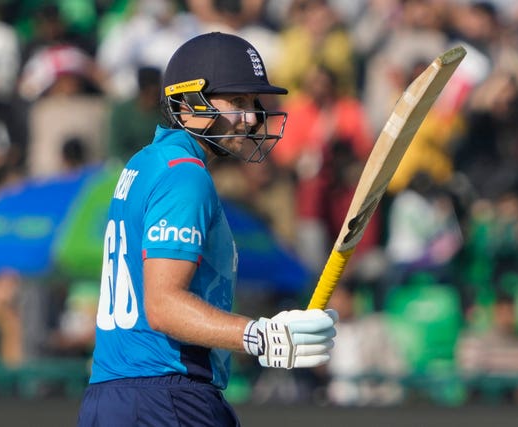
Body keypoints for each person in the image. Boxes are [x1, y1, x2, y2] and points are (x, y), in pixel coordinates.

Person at [77, 32, 338, 426]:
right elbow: (163, 305)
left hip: (109, 397)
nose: (250, 118)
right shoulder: (185, 175)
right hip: (166, 396)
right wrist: (261, 335)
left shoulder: (144, 163)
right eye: (236, 101)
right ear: (188, 102)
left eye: (252, 103)